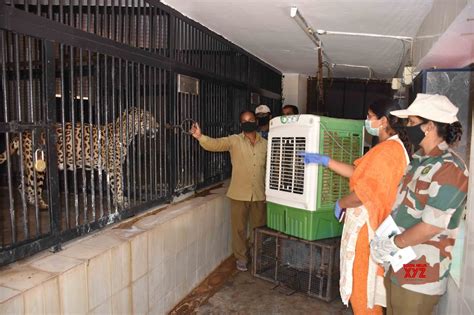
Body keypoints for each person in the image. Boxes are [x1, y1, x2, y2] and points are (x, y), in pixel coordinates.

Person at [300, 98, 410, 314]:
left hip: (369, 232)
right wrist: (325, 161)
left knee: (364, 291)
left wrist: (341, 203)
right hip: (375, 230)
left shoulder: (388, 151)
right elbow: (359, 174)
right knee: (367, 289)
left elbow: (362, 194)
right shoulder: (390, 148)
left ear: (383, 121)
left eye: (370, 117)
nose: (367, 121)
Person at [370, 93, 468, 315]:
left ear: (429, 126)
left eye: (412, 122)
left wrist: (393, 243)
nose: (408, 128)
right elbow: (402, 208)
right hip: (398, 265)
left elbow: (431, 227)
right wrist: (385, 240)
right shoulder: (419, 161)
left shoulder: (449, 168)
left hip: (420, 274)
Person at [190, 110, 267, 272]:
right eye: (244, 121)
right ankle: (241, 258)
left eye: (251, 119)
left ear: (256, 121)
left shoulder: (265, 144)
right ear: (241, 124)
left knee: (258, 229)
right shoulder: (234, 141)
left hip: (259, 194)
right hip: (239, 194)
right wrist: (200, 136)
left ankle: (258, 257)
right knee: (238, 230)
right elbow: (216, 144)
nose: (248, 122)